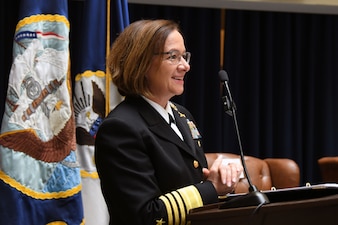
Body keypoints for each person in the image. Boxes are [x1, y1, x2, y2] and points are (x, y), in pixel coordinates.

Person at [95, 19, 243, 225]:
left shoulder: (182, 116)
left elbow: (194, 184)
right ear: (142, 63)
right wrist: (212, 188)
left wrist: (222, 179)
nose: (186, 66)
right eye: (173, 57)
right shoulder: (121, 128)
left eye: (185, 56)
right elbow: (145, 215)